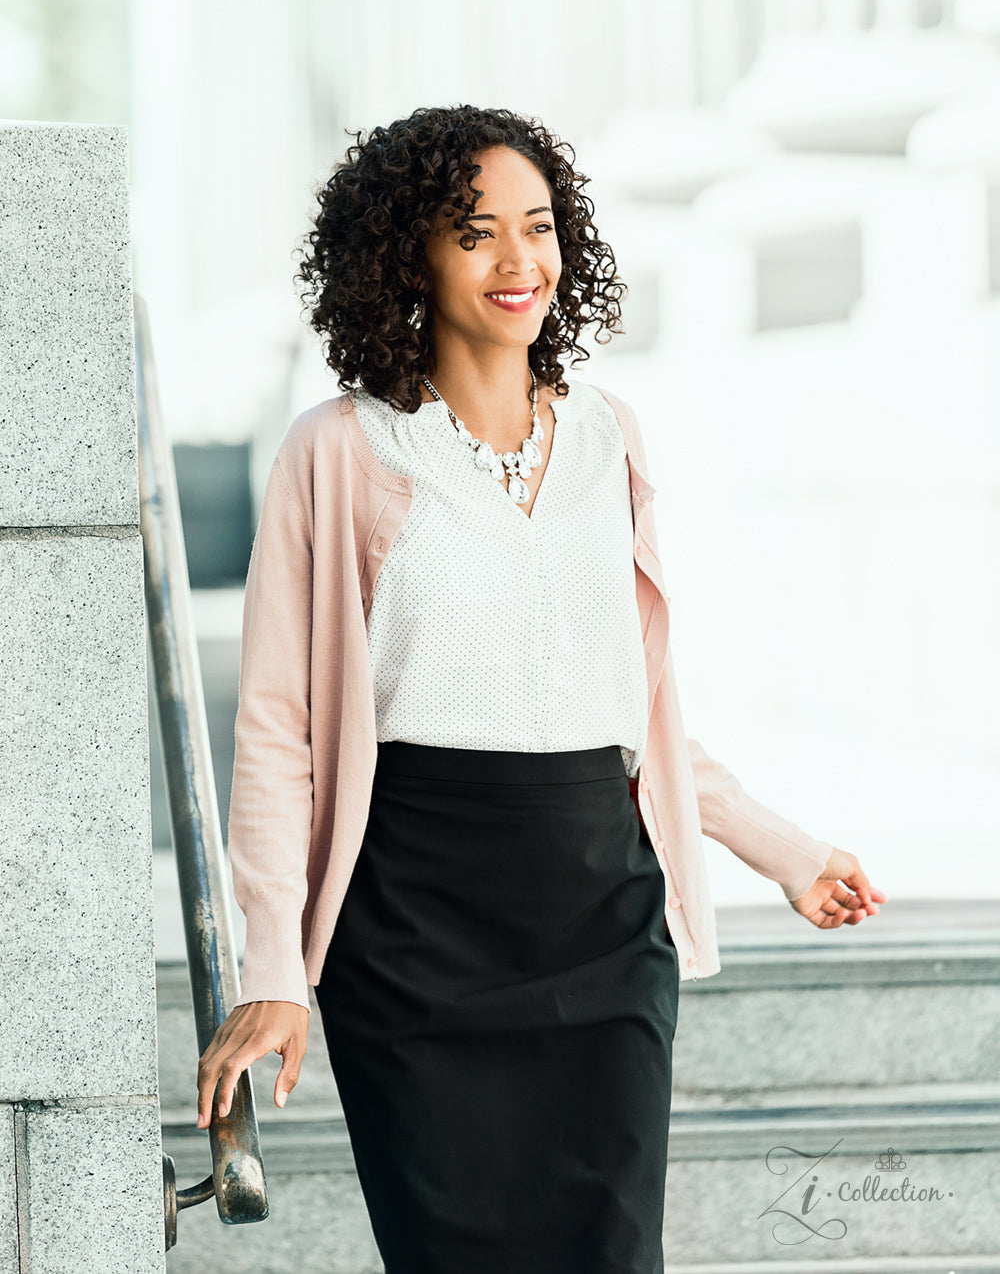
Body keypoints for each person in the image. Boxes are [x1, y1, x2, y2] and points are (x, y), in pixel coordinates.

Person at [196, 104, 886, 1273]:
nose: (520, 262)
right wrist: (274, 966)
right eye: (477, 233)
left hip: (600, 920)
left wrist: (781, 846)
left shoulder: (612, 440)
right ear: (406, 253)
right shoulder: (339, 451)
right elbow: (278, 730)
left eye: (539, 226)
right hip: (411, 929)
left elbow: (637, 706)